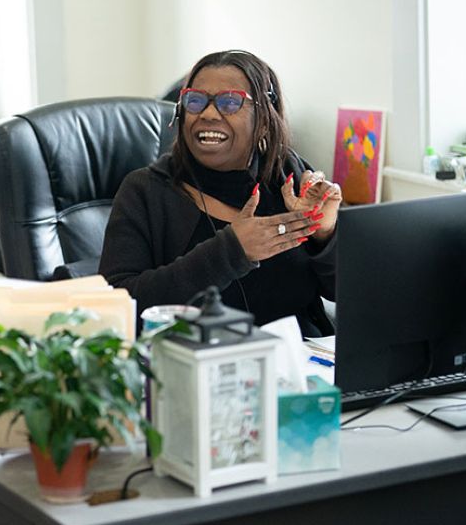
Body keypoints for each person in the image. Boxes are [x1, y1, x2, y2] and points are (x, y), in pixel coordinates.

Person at [99, 49, 341, 337]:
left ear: (264, 119)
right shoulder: (145, 191)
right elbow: (118, 306)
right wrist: (231, 251)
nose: (208, 114)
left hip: (301, 364)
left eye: (229, 102)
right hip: (196, 364)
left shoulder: (287, 174)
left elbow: (346, 292)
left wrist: (325, 234)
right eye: (195, 101)